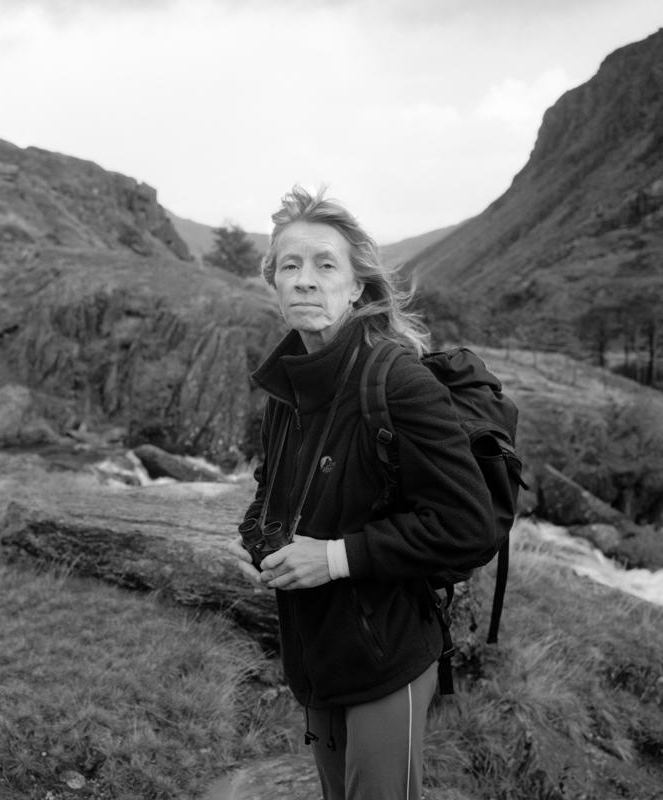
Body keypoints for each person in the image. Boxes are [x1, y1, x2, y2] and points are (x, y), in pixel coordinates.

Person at [227, 185, 495, 800]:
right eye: (289, 266)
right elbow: (272, 493)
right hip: (314, 652)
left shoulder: (396, 381)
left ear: (357, 287)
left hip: (386, 659)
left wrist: (332, 557)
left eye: (326, 265)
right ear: (274, 284)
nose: (305, 280)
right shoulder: (287, 389)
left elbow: (468, 525)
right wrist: (263, 540)